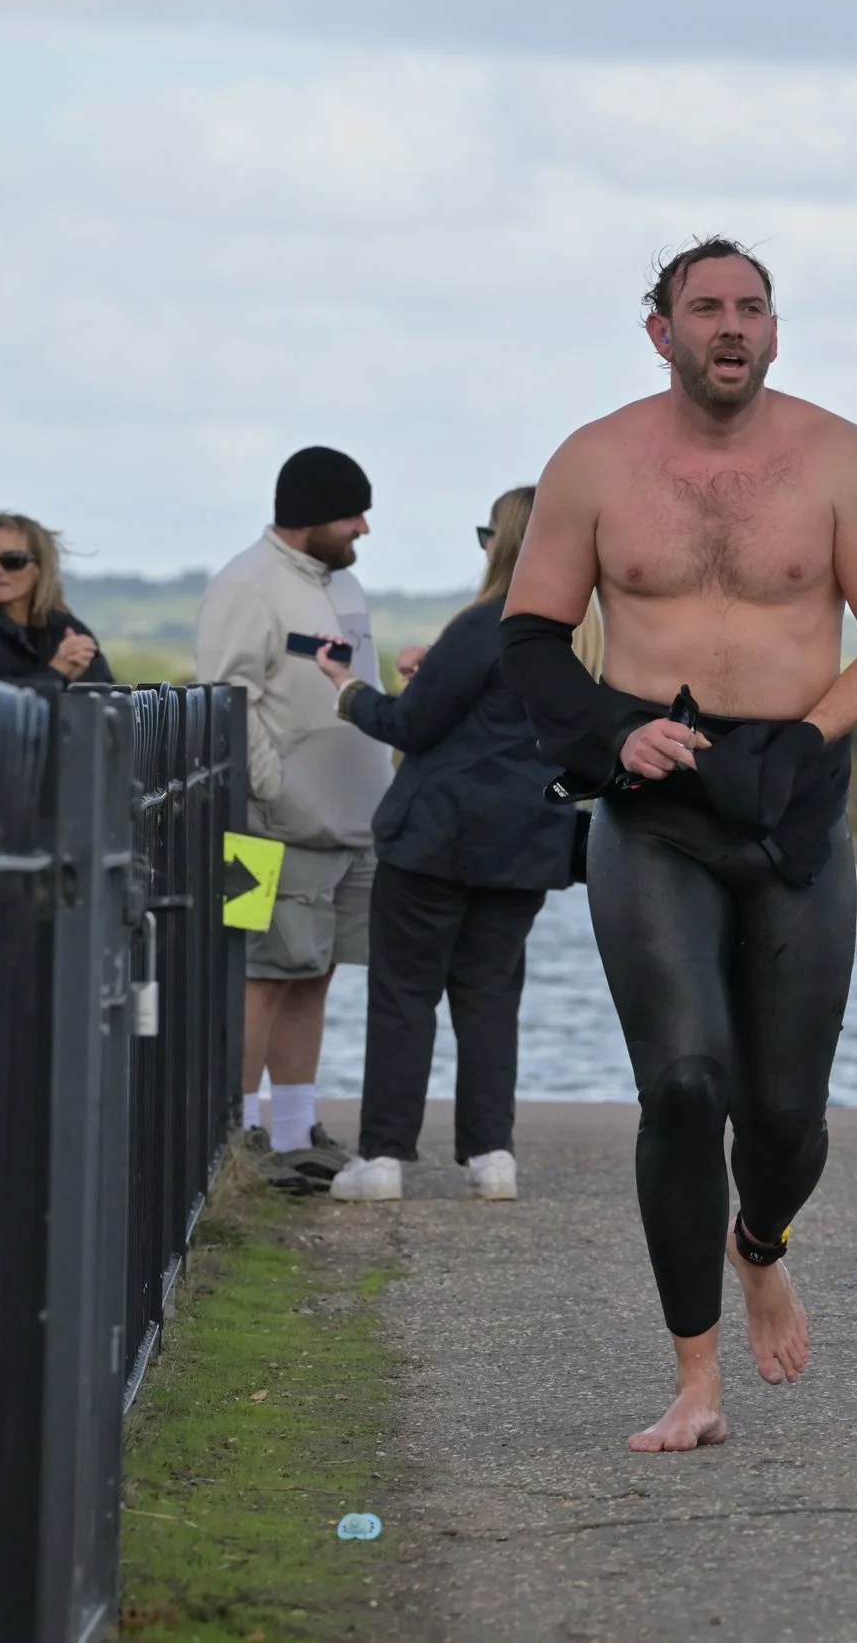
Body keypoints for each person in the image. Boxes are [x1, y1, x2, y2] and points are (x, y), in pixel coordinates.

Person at [499, 237, 857, 1451]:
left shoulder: (840, 457)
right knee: (684, 1085)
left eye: (750, 307)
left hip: (793, 799)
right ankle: (696, 1380)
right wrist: (611, 731)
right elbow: (529, 637)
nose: (730, 325)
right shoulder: (595, 461)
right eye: (705, 308)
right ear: (662, 331)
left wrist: (808, 738)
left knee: (786, 1119)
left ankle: (761, 1240)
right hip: (656, 806)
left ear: (774, 330)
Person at [316, 487, 589, 1204]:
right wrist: (434, 669)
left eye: (486, 534)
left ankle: (383, 1159)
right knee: (491, 998)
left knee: (404, 995)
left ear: (505, 544)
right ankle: (492, 1156)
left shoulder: (488, 623)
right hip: (528, 844)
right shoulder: (587, 637)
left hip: (436, 839)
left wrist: (348, 689)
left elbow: (411, 725)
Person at [195, 448, 393, 1184]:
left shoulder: (344, 582)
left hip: (352, 823)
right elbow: (227, 694)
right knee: (260, 974)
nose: (364, 527)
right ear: (310, 517)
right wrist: (272, 788)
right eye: (352, 514)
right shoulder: (246, 585)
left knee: (317, 970)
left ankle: (293, 1130)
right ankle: (236, 1138)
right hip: (268, 829)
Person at [0, 512, 112, 690]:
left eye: (12, 561)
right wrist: (55, 673)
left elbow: (108, 699)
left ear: (40, 568)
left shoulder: (69, 633)